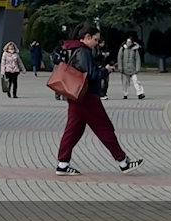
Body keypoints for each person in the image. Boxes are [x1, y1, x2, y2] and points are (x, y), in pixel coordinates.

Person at [54, 28, 140, 174]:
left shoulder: (73, 49)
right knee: (104, 128)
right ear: (87, 37)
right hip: (87, 96)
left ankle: (62, 164)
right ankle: (123, 161)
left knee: (73, 130)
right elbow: (91, 75)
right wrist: (106, 70)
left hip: (76, 96)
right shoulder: (83, 51)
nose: (97, 43)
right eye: (95, 39)